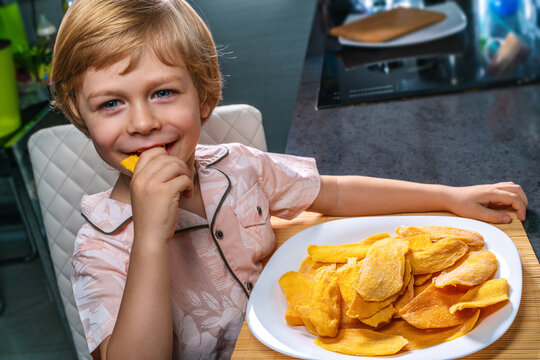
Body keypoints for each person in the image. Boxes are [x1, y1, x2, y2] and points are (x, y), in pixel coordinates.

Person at [50, 0, 528, 359]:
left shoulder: (239, 168)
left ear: (204, 97)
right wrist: (151, 238)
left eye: (163, 92)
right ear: (81, 115)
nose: (142, 123)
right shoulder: (100, 247)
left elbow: (333, 192)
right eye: (111, 103)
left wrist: (449, 197)